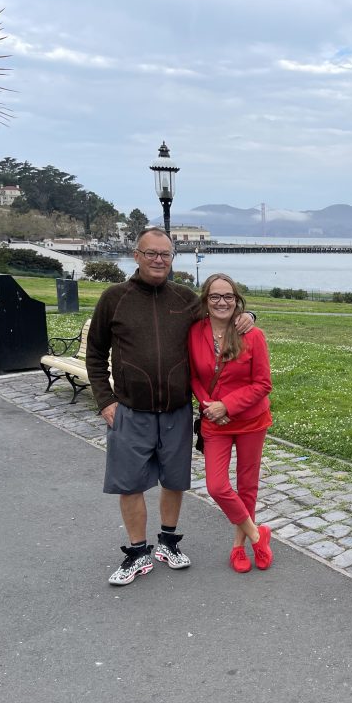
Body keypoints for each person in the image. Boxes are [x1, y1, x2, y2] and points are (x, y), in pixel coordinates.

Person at [87, 227, 255, 586]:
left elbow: (221, 311)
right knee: (129, 484)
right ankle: (137, 553)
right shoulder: (114, 298)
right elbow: (96, 353)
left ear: (172, 258)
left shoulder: (185, 299)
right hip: (130, 410)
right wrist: (105, 400)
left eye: (165, 254)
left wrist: (249, 315)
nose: (158, 260)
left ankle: (168, 543)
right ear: (136, 255)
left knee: (174, 480)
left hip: (177, 411)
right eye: (151, 253)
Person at [189, 274, 273, 574]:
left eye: (228, 297)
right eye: (215, 296)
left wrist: (228, 405)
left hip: (251, 420)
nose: (221, 302)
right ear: (206, 300)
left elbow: (263, 384)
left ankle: (239, 547)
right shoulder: (195, 332)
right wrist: (209, 406)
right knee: (216, 486)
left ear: (237, 300)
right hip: (215, 421)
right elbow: (194, 376)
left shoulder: (253, 335)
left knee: (247, 486)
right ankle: (257, 535)